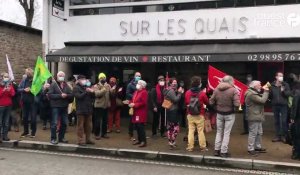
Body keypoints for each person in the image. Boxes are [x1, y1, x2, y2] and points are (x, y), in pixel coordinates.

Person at [209, 75, 240, 158]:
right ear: (230, 81)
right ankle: (223, 151)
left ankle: (216, 150)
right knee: (226, 133)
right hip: (229, 114)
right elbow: (237, 104)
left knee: (219, 132)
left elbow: (211, 101)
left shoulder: (216, 89)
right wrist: (234, 110)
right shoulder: (233, 90)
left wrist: (216, 108)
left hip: (219, 113)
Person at [48, 71, 73, 144]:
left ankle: (61, 137)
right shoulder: (53, 84)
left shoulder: (66, 85)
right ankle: (53, 138)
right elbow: (50, 95)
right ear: (57, 76)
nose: (61, 77)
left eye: (62, 75)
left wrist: (67, 95)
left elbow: (71, 94)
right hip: (55, 106)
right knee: (54, 123)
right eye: (60, 75)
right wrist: (60, 96)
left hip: (64, 106)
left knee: (65, 123)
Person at [245, 80, 270, 156]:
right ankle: (250, 149)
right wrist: (266, 91)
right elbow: (262, 100)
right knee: (253, 133)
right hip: (254, 116)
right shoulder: (251, 94)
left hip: (257, 115)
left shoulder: (253, 92)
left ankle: (257, 147)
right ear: (255, 86)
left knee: (259, 132)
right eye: (259, 85)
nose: (260, 86)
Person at [185, 76, 209, 152]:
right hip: (200, 114)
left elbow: (186, 102)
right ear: (199, 84)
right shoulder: (202, 93)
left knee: (191, 131)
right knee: (200, 131)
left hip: (190, 114)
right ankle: (203, 147)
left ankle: (190, 147)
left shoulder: (187, 92)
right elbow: (207, 102)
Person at [73, 75, 95, 146]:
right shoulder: (76, 87)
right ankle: (80, 140)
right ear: (78, 80)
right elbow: (78, 97)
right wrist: (86, 91)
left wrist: (92, 92)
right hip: (81, 110)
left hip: (88, 109)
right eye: (82, 79)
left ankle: (88, 139)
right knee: (80, 126)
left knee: (89, 126)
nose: (84, 80)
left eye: (84, 79)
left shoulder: (87, 87)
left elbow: (93, 97)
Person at [270, 72, 291, 143]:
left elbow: (288, 94)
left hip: (283, 105)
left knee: (284, 121)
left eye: (282, 76)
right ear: (276, 77)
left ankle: (284, 136)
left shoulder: (286, 84)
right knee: (276, 121)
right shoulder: (272, 85)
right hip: (275, 105)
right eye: (280, 76)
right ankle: (278, 136)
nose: (281, 77)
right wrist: (266, 90)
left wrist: (283, 91)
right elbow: (270, 95)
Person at [164, 78, 184, 149]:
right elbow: (175, 100)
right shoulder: (171, 91)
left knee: (170, 127)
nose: (175, 84)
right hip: (173, 111)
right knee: (175, 128)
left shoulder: (168, 90)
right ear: (170, 83)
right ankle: (172, 141)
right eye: (173, 83)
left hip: (170, 110)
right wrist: (179, 93)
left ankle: (171, 142)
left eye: (176, 82)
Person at [129, 80, 148, 147]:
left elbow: (143, 103)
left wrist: (134, 105)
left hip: (141, 112)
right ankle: (139, 140)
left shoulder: (144, 92)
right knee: (137, 126)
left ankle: (143, 141)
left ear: (142, 86)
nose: (137, 84)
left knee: (140, 127)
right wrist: (130, 102)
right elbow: (133, 99)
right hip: (136, 112)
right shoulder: (136, 92)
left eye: (139, 83)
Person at [18, 68, 36, 138]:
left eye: (28, 73)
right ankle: (26, 131)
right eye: (26, 73)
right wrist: (24, 89)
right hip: (25, 102)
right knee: (25, 117)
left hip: (33, 102)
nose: (27, 74)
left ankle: (33, 132)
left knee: (33, 118)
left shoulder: (35, 81)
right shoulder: (23, 80)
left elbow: (39, 90)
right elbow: (18, 89)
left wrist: (31, 90)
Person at [93, 73, 111, 140]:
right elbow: (97, 94)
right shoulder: (96, 86)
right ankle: (96, 134)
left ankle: (104, 133)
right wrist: (104, 89)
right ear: (99, 79)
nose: (103, 79)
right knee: (97, 121)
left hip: (106, 106)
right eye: (101, 77)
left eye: (104, 77)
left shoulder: (107, 85)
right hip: (98, 105)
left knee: (105, 121)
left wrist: (112, 90)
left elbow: (110, 94)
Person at [126, 72, 142, 141]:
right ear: (134, 76)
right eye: (137, 76)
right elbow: (127, 93)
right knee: (131, 120)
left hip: (138, 104)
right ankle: (130, 134)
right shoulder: (130, 84)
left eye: (139, 76)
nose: (138, 77)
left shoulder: (141, 84)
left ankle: (139, 135)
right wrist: (135, 97)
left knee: (138, 119)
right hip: (132, 103)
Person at [0, 73, 15, 142]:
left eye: (7, 77)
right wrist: (3, 91)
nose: (6, 78)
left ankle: (5, 136)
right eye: (5, 77)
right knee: (0, 122)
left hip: (8, 105)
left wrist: (9, 91)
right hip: (1, 105)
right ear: (2, 77)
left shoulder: (9, 84)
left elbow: (13, 94)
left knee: (6, 122)